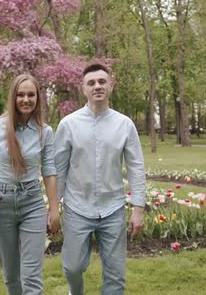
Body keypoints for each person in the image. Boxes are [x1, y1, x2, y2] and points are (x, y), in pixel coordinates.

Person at [54, 63, 146, 295]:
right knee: (73, 267)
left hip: (112, 208)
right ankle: (76, 291)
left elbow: (136, 167)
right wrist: (53, 207)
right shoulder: (68, 124)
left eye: (102, 82)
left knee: (115, 275)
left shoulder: (125, 124)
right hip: (77, 208)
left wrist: (138, 208)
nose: (97, 86)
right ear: (83, 88)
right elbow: (58, 167)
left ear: (110, 85)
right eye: (91, 83)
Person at [0, 74, 60, 295]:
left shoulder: (45, 132)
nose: (26, 99)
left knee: (32, 278)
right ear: (13, 98)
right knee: (11, 276)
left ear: (38, 98)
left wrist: (54, 209)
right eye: (20, 95)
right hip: (1, 203)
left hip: (31, 203)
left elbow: (49, 171)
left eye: (31, 94)